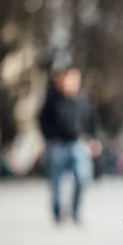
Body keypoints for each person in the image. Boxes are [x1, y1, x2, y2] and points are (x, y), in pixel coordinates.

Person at [38, 66, 101, 224]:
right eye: (68, 79)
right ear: (62, 81)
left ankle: (75, 212)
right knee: (56, 180)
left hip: (78, 143)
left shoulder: (84, 99)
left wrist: (94, 139)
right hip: (57, 143)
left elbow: (92, 121)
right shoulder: (53, 98)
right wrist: (49, 137)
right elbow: (42, 119)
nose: (71, 83)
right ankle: (58, 213)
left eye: (75, 79)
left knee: (82, 177)